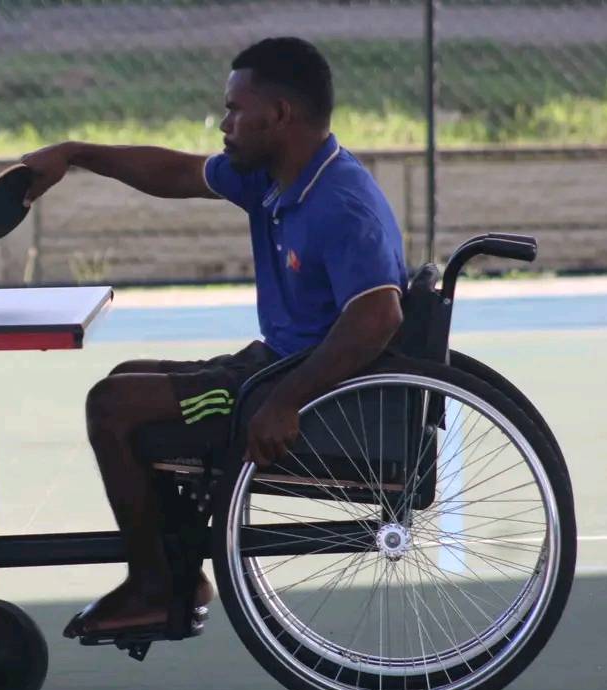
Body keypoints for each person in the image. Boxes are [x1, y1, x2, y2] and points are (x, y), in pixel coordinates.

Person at [22, 37, 406, 639]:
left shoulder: (341, 203)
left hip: (297, 387)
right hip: (275, 365)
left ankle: (155, 589)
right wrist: (74, 155)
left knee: (111, 405)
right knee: (128, 378)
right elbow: (175, 171)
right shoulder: (278, 176)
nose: (223, 123)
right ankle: (179, 576)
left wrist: (285, 401)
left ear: (279, 115)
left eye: (234, 109)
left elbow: (379, 316)